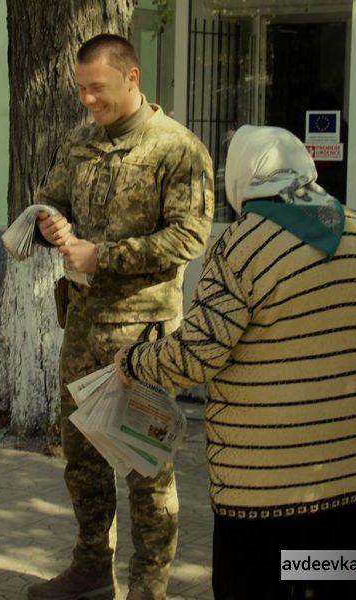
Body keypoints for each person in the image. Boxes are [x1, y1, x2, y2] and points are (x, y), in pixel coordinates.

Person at [114, 125, 356, 600]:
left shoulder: (241, 246)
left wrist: (134, 361)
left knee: (253, 587)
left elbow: (196, 356)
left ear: (243, 176)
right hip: (344, 473)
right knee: (337, 583)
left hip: (260, 484)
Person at [29, 34, 214, 600]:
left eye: (98, 89)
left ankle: (148, 586)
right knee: (82, 463)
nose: (88, 100)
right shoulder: (80, 141)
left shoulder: (176, 149)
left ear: (132, 78)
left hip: (143, 340)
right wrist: (50, 224)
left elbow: (189, 236)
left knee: (145, 468)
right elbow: (52, 198)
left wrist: (103, 255)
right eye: (81, 89)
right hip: (82, 328)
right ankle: (90, 569)